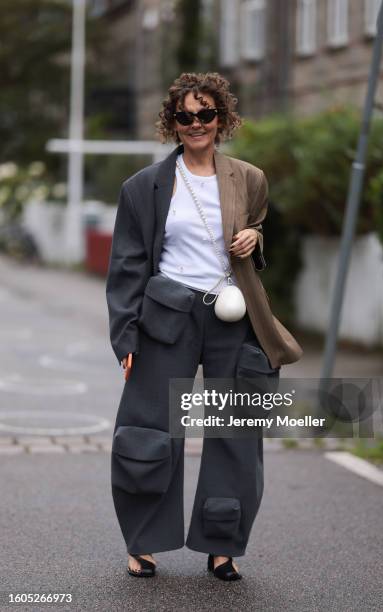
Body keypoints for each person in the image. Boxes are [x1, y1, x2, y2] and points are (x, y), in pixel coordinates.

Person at [106, 72, 303, 581]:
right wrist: (125, 335)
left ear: (222, 118)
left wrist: (252, 241)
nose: (196, 124)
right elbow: (128, 265)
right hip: (165, 318)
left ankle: (221, 545)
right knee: (148, 431)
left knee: (236, 434)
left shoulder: (249, 177)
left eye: (206, 114)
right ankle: (143, 542)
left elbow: (256, 233)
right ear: (172, 122)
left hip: (232, 318)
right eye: (185, 116)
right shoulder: (142, 187)